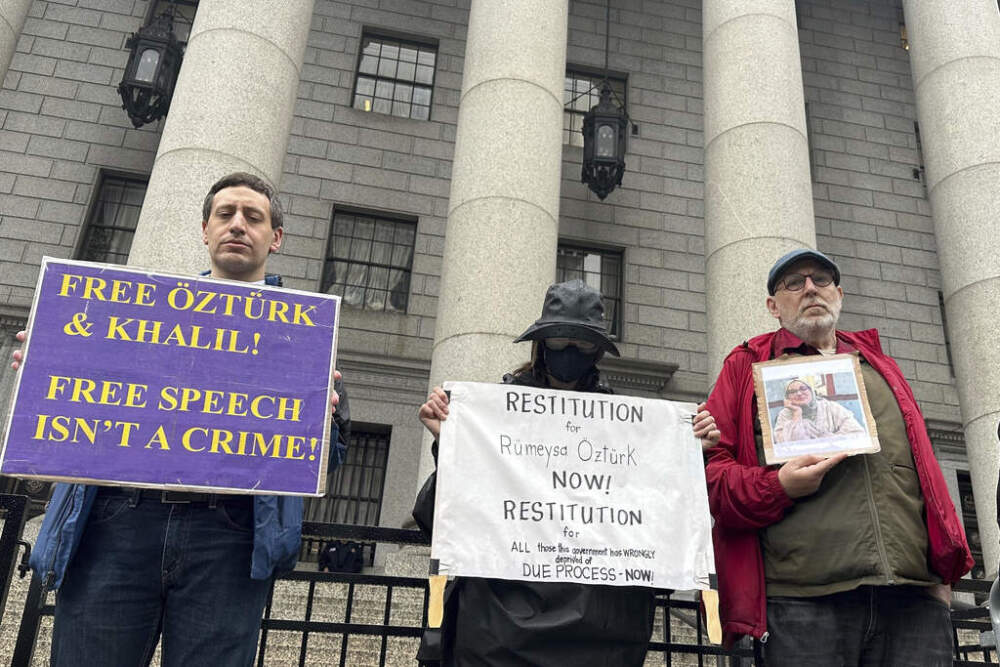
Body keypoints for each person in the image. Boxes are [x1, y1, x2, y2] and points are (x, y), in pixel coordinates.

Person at [13, 172, 350, 667]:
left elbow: (326, 463)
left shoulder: (305, 338)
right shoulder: (123, 317)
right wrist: (46, 370)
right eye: (225, 215)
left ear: (274, 238)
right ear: (205, 230)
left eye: (253, 217)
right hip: (116, 524)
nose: (238, 225)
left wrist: (326, 423)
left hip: (229, 537)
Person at [411, 279, 718, 666]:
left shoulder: (632, 433)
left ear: (598, 352)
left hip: (597, 630)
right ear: (541, 345)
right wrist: (453, 446)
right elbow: (436, 520)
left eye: (584, 343)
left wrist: (689, 459)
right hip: (500, 629)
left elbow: (658, 526)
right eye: (559, 340)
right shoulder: (491, 420)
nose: (570, 351)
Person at [704, 248, 972, 666]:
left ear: (840, 295)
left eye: (821, 280)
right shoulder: (746, 366)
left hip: (913, 600)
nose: (810, 288)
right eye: (794, 282)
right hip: (802, 604)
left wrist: (942, 576)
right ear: (773, 306)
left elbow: (925, 475)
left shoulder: (882, 368)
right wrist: (778, 487)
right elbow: (713, 482)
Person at [772, 377, 865, 443]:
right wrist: (797, 414)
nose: (799, 393)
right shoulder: (785, 414)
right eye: (792, 392)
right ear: (787, 397)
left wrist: (825, 441)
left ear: (811, 391)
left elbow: (857, 433)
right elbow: (786, 445)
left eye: (803, 388)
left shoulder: (830, 407)